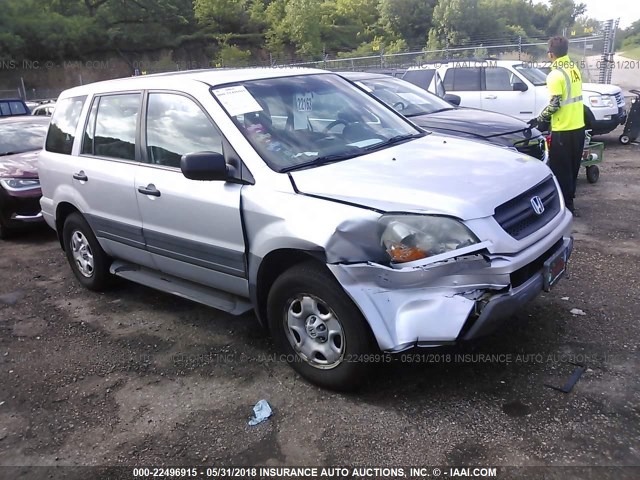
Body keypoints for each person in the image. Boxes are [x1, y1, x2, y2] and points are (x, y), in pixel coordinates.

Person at [528, 36, 585, 215]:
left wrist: (539, 119)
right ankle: (570, 204)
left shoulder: (555, 75)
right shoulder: (573, 68)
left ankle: (563, 209)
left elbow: (555, 105)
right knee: (573, 168)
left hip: (563, 129)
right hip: (579, 126)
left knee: (561, 171)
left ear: (551, 54)